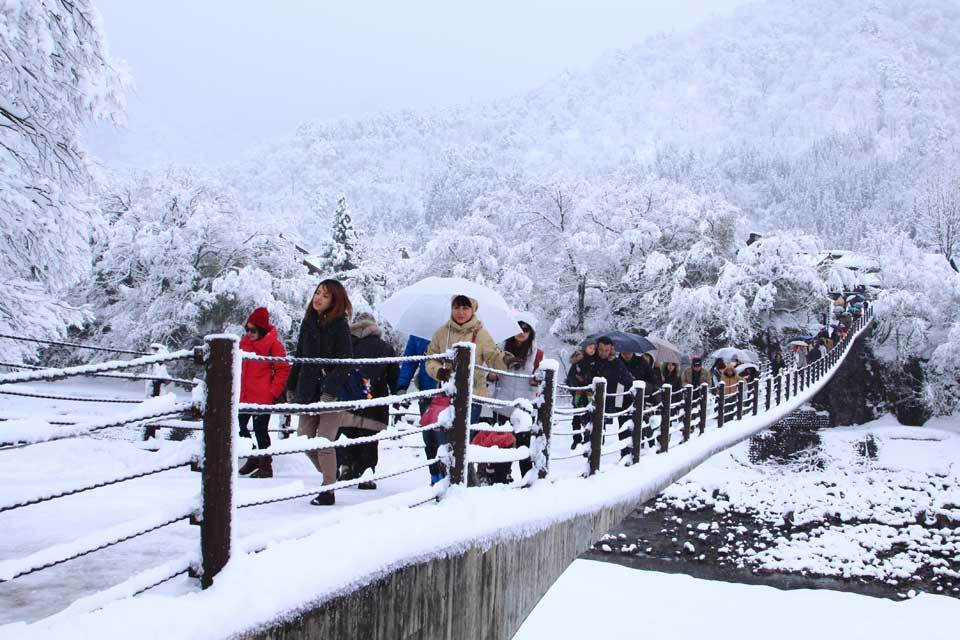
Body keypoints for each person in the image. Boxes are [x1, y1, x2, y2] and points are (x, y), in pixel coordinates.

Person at [424, 295, 514, 481]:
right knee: (443, 437)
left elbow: (492, 356)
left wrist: (505, 359)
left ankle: (462, 478)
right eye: (456, 307)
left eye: (465, 308)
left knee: (463, 439)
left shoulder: (481, 333)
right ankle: (445, 478)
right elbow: (430, 357)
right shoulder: (442, 333)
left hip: (473, 395)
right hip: (446, 394)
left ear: (473, 310)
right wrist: (438, 371)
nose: (460, 312)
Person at [286, 279, 353, 506]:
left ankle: (328, 490)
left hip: (331, 394)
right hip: (307, 389)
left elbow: (346, 361)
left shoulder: (340, 326)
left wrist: (330, 388)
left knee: (324, 440)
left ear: (334, 301)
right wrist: (292, 386)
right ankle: (331, 471)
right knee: (304, 439)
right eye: (317, 293)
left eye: (325, 296)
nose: (318, 298)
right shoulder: (308, 322)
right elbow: (299, 357)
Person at [337, 312, 399, 490]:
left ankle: (347, 467)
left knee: (349, 433)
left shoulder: (347, 344)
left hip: (350, 398)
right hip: (375, 398)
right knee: (370, 436)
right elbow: (393, 375)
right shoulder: (385, 347)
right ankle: (366, 473)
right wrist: (396, 394)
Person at [483, 320, 543, 484]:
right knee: (502, 444)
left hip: (524, 406)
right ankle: (499, 480)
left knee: (524, 444)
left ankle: (527, 481)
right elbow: (485, 371)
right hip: (502, 404)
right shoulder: (499, 349)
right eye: (517, 329)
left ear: (531, 333)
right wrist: (490, 376)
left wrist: (537, 380)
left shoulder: (537, 354)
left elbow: (542, 377)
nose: (521, 332)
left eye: (526, 330)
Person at [237, 307, 290, 479]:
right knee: (240, 427)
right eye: (247, 329)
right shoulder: (243, 343)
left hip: (262, 397)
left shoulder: (273, 344)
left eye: (253, 330)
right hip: (244, 396)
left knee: (260, 430)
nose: (249, 333)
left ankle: (265, 465)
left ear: (261, 329)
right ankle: (254, 456)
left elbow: (283, 369)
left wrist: (272, 392)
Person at [396, 334, 442, 482]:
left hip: (452, 393)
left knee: (448, 439)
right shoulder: (419, 332)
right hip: (427, 392)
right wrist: (402, 386)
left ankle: (451, 477)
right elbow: (410, 360)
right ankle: (435, 476)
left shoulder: (457, 328)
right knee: (430, 438)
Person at [594, 336, 635, 459]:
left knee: (624, 427)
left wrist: (620, 379)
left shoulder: (617, 362)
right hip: (598, 399)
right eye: (601, 349)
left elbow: (627, 380)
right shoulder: (592, 361)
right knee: (597, 430)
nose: (603, 353)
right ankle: (594, 458)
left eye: (606, 350)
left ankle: (626, 454)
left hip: (618, 398)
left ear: (611, 349)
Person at [565, 339, 597, 449]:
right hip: (578, 393)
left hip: (589, 394)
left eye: (594, 348)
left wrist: (587, 381)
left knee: (589, 417)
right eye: (590, 348)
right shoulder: (578, 362)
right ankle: (576, 438)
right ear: (585, 348)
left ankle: (587, 439)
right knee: (576, 417)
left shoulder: (595, 361)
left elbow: (595, 376)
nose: (592, 350)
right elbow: (570, 378)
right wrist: (576, 387)